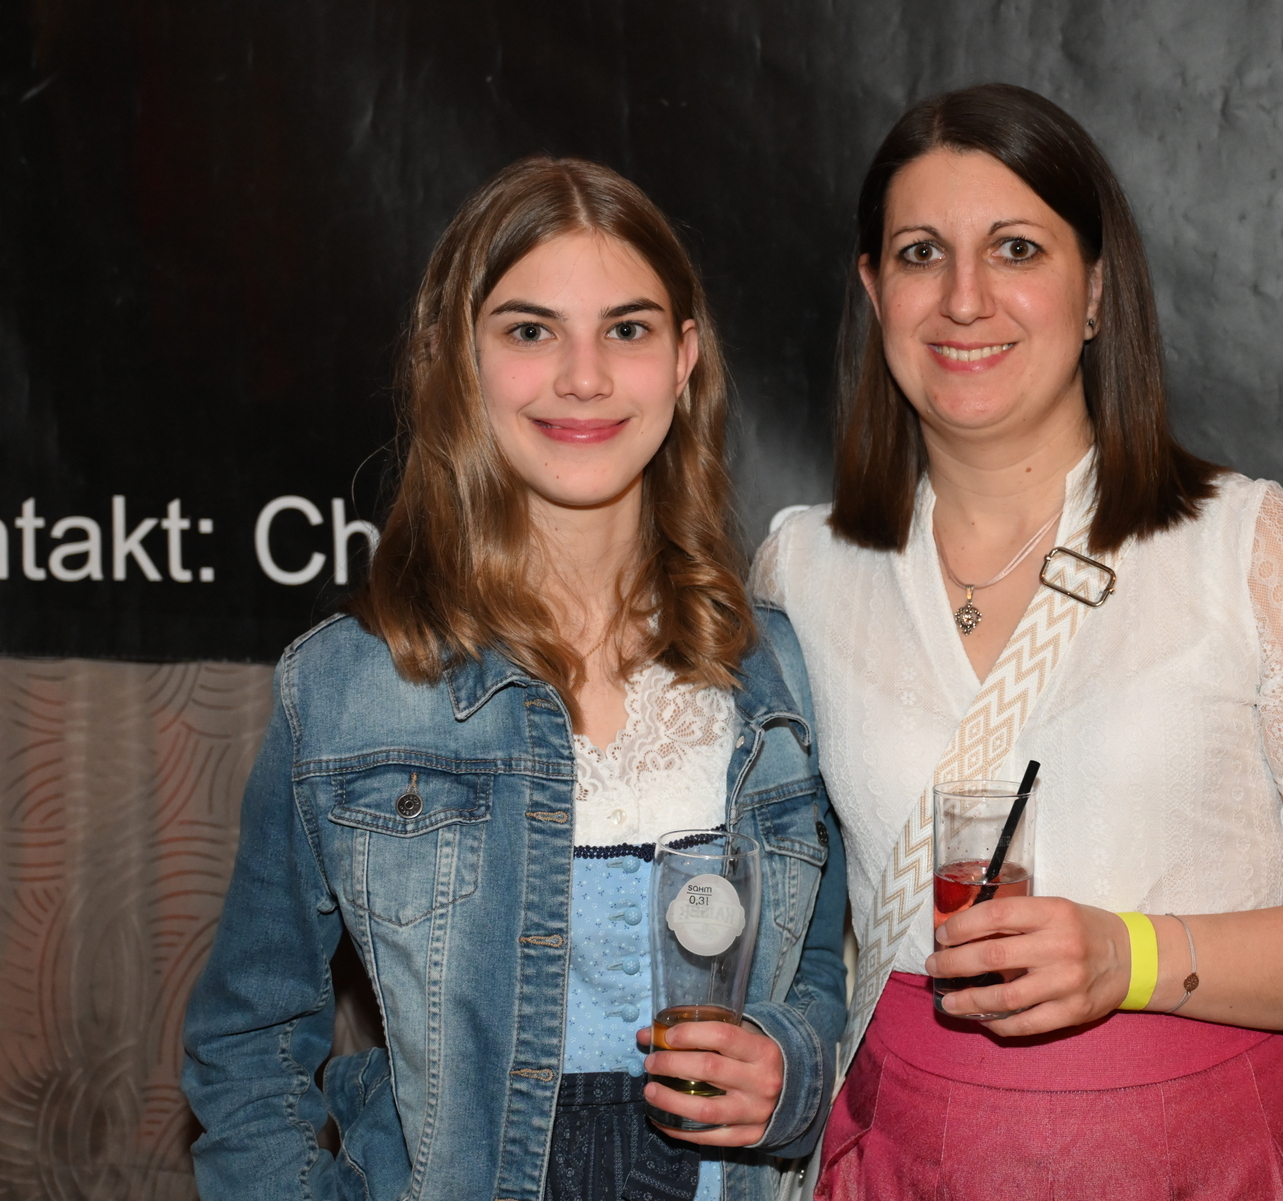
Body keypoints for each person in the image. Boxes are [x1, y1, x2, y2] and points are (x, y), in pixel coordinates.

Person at [754, 84, 1283, 1199]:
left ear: (1095, 290)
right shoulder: (801, 570)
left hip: (1209, 1162)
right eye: (920, 253)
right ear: (873, 290)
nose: (964, 297)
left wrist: (1128, 954)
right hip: (901, 1158)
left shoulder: (1249, 547)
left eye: (1015, 248)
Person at [183, 156, 847, 1201]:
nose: (583, 376)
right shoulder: (349, 686)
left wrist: (790, 1075)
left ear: (682, 360)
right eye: (531, 330)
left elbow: (814, 975)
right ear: (459, 358)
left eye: (626, 329)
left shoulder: (774, 674)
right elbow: (248, 1039)